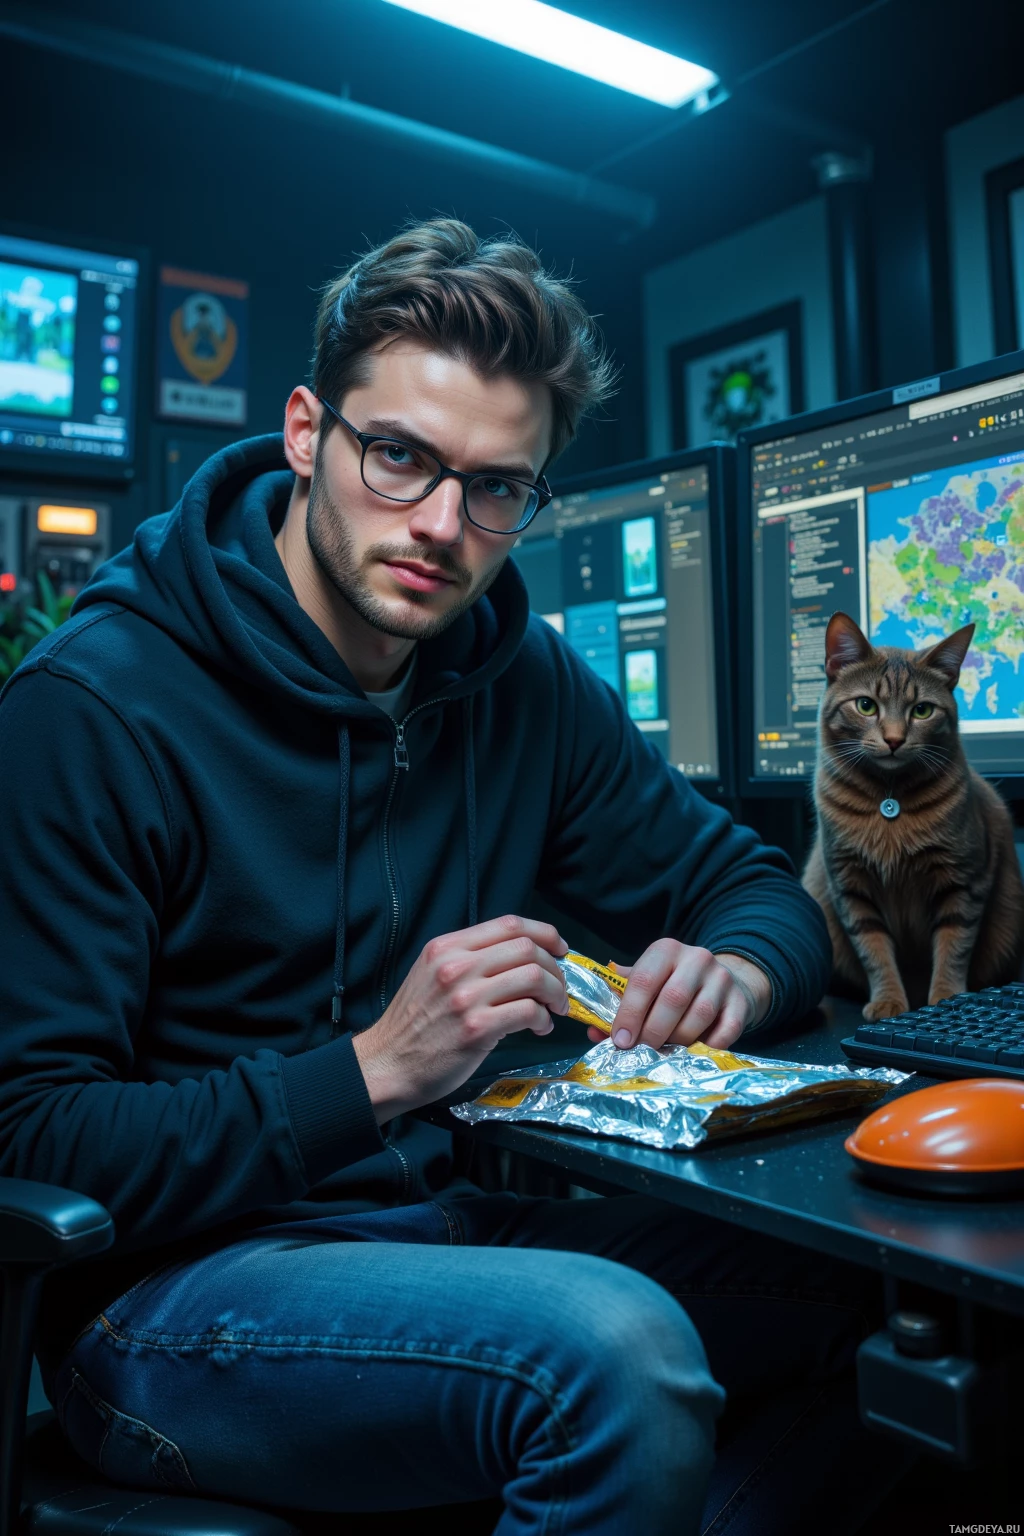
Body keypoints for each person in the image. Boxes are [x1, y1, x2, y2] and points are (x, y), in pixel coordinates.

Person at [0, 220, 879, 1534]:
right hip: (168, 1300)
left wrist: (736, 967)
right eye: (399, 456)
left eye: (495, 488)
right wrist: (375, 1072)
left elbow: (755, 885)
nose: (439, 526)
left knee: (888, 1300)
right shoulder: (93, 710)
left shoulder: (517, 686)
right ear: (307, 432)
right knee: (615, 1357)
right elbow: (28, 1134)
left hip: (440, 1239)